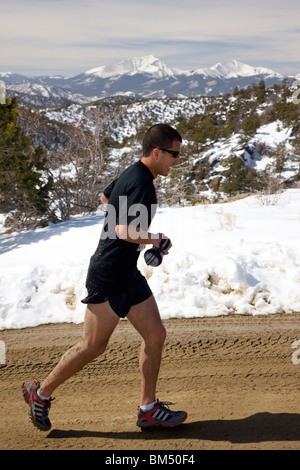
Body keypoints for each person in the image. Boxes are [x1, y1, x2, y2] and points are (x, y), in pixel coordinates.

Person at [22, 123, 187, 431]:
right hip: (108, 276)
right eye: (175, 154)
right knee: (93, 346)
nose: (177, 161)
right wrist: (155, 239)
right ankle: (40, 394)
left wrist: (135, 238)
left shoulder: (132, 172)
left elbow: (105, 197)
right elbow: (124, 231)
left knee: (156, 335)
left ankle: (148, 408)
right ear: (157, 152)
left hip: (126, 273)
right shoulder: (142, 185)